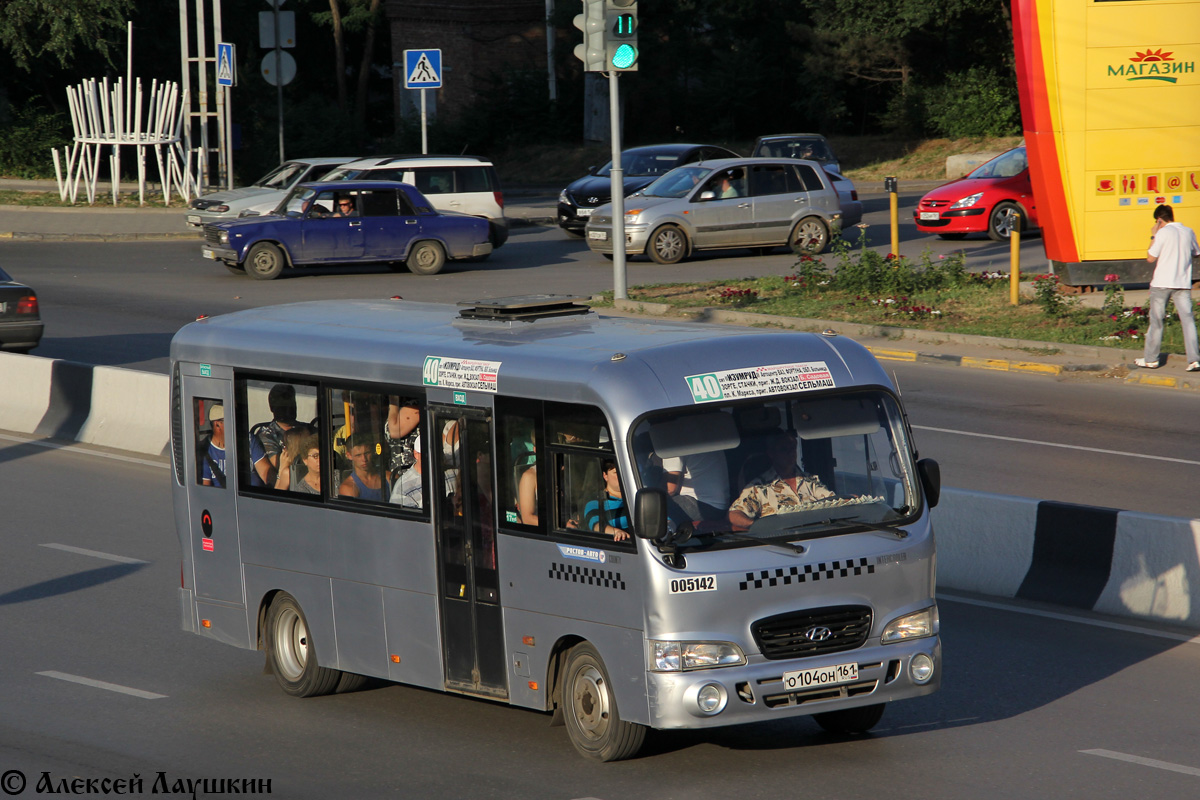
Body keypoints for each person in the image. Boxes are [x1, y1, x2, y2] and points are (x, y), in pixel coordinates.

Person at [728, 429, 835, 531]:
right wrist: (757, 526)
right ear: (771, 453)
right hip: (782, 541)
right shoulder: (758, 486)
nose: (790, 453)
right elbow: (734, 515)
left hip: (818, 536)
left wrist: (850, 499)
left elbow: (834, 502)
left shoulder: (809, 480)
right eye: (784, 449)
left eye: (792, 448)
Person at [1136, 204, 1200, 371]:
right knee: (1188, 321)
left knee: (1157, 321)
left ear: (1159, 220)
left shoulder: (1162, 233)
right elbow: (1196, 252)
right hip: (1182, 283)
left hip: (1162, 283)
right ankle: (1194, 360)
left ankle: (1151, 359)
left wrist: (1153, 236)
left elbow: (1150, 258)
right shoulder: (1188, 231)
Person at [255, 384, 311, 474]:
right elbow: (278, 466)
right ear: (272, 408)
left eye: (291, 404)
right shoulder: (266, 434)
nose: (289, 409)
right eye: (283, 406)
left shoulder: (309, 428)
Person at [663, 450, 729, 523]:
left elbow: (670, 489)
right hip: (720, 506)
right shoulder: (702, 438)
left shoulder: (670, 443)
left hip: (702, 505)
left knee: (653, 507)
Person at [583, 459, 631, 542]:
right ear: (605, 476)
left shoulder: (636, 496)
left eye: (624, 472)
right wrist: (616, 532)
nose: (621, 476)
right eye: (616, 473)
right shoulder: (596, 501)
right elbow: (596, 525)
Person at [338, 431, 391, 501]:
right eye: (358, 455)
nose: (364, 459)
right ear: (349, 456)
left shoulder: (388, 477)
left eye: (367, 453)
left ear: (372, 451)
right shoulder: (349, 488)